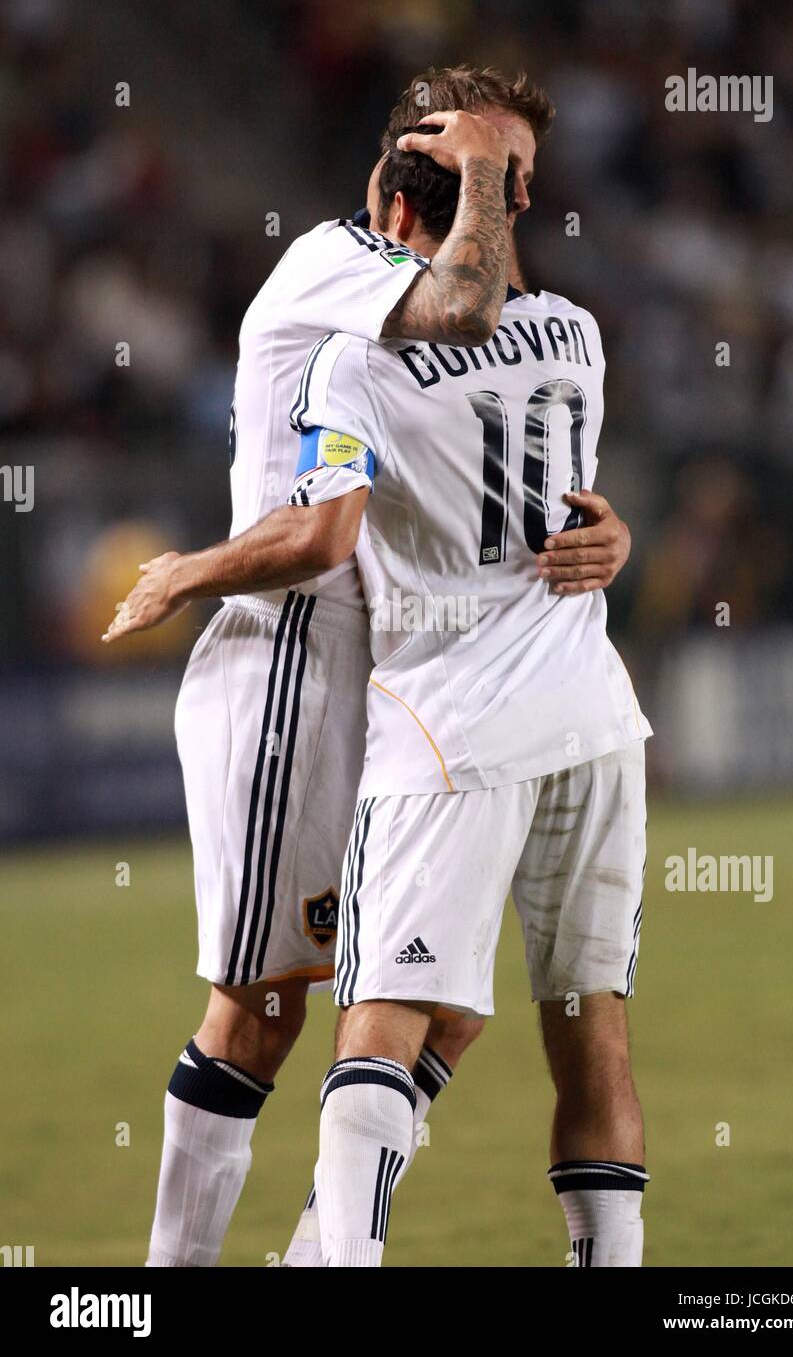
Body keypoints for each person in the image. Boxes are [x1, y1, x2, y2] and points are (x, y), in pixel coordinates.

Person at [105, 68, 637, 1269]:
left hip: (414, 675)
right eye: (502, 183)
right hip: (297, 654)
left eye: (524, 188)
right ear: (420, 182)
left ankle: (320, 1252)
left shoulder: (473, 289)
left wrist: (606, 529)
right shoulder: (338, 264)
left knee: (439, 1001)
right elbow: (458, 315)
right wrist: (488, 179)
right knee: (262, 1007)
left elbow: (509, 426)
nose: (514, 215)